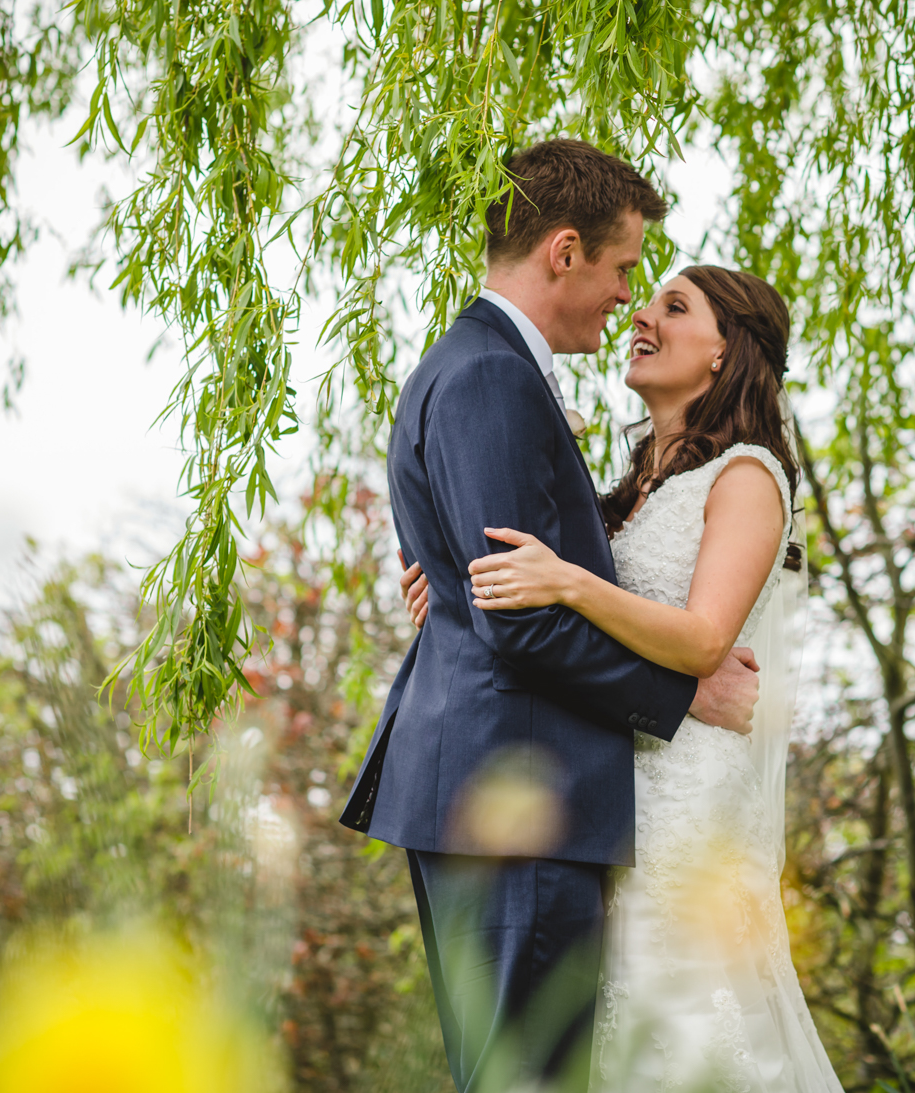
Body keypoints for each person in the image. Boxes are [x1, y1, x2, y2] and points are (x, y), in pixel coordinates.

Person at [337, 139, 762, 1093]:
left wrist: (451, 598)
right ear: (564, 251)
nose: (628, 298)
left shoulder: (479, 365)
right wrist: (685, 694)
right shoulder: (493, 377)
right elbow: (520, 617)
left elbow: (495, 588)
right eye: (622, 270)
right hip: (516, 790)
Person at [399, 264, 844, 1093]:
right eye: (646, 299)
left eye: (674, 307)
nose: (641, 314)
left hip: (688, 798)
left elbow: (707, 638)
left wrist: (567, 581)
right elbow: (547, 622)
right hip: (613, 788)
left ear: (725, 353)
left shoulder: (747, 477)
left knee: (684, 1017)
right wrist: (457, 592)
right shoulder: (630, 494)